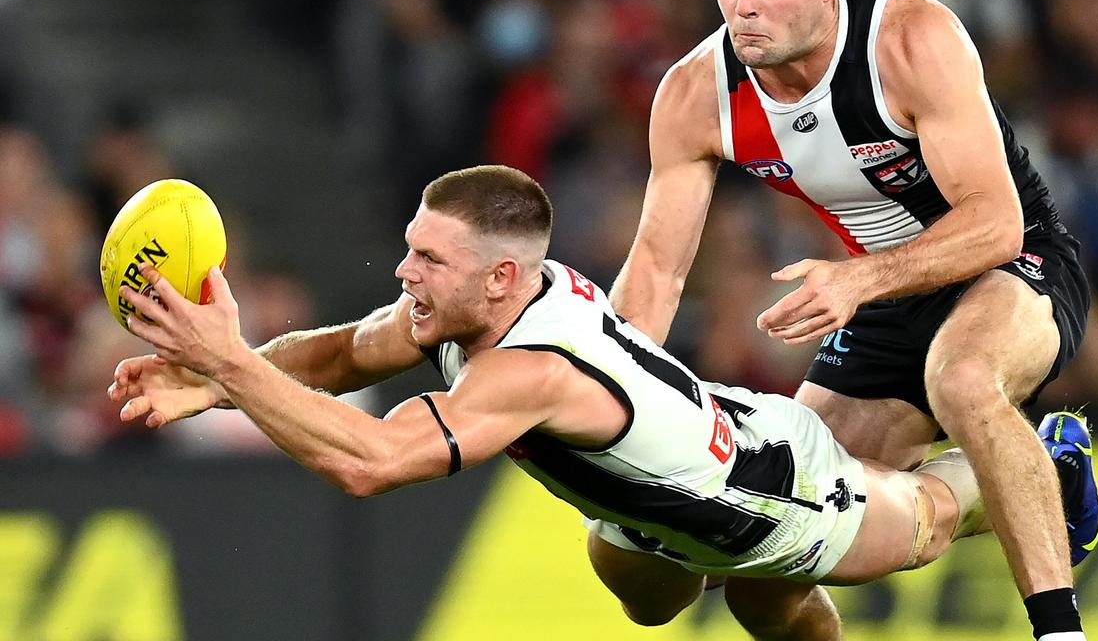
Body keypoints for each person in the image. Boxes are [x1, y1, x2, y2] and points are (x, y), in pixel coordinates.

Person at [115, 165, 1013, 641]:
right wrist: (208, 380)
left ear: (502, 277)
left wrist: (231, 362)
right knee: (663, 598)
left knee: (923, 522)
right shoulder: (475, 304)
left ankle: (1031, 459)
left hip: (766, 489)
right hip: (660, 503)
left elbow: (370, 461)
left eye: (427, 260)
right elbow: (346, 352)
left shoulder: (533, 369)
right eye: (409, 249)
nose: (404, 274)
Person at [608, 0, 1098, 640]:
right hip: (881, 297)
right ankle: (1045, 473)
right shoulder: (695, 94)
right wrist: (607, 393)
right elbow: (655, 271)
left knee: (962, 378)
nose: (744, 9)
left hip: (1012, 265)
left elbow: (996, 221)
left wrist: (858, 281)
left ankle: (1059, 632)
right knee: (770, 555)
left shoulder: (908, 37)